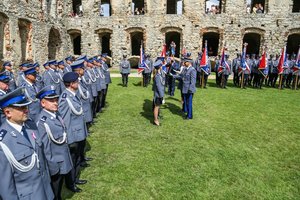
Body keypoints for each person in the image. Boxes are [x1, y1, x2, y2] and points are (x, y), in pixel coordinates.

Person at [0, 87, 54, 199]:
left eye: (26, 106)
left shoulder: (31, 126)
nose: (26, 110)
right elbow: (6, 186)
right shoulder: (3, 142)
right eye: (21, 108)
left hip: (45, 189)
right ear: (8, 112)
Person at [36, 85, 73, 200]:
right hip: (55, 163)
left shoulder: (56, 115)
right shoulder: (42, 122)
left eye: (56, 100)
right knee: (55, 190)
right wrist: (53, 168)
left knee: (59, 188)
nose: (56, 103)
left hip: (62, 157)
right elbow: (45, 149)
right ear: (42, 103)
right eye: (51, 101)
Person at [58, 72, 88, 193]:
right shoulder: (65, 98)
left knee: (76, 158)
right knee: (72, 158)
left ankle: (75, 178)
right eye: (76, 82)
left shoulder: (72, 95)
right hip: (73, 135)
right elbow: (65, 120)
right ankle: (70, 183)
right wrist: (70, 138)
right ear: (71, 84)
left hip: (79, 132)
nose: (78, 83)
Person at [152, 60, 165, 126]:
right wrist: (162, 96)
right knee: (156, 107)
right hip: (158, 94)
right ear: (160, 66)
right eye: (161, 65)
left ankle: (157, 117)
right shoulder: (157, 76)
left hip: (160, 93)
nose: (162, 66)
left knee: (158, 106)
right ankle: (155, 120)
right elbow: (159, 86)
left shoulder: (160, 73)